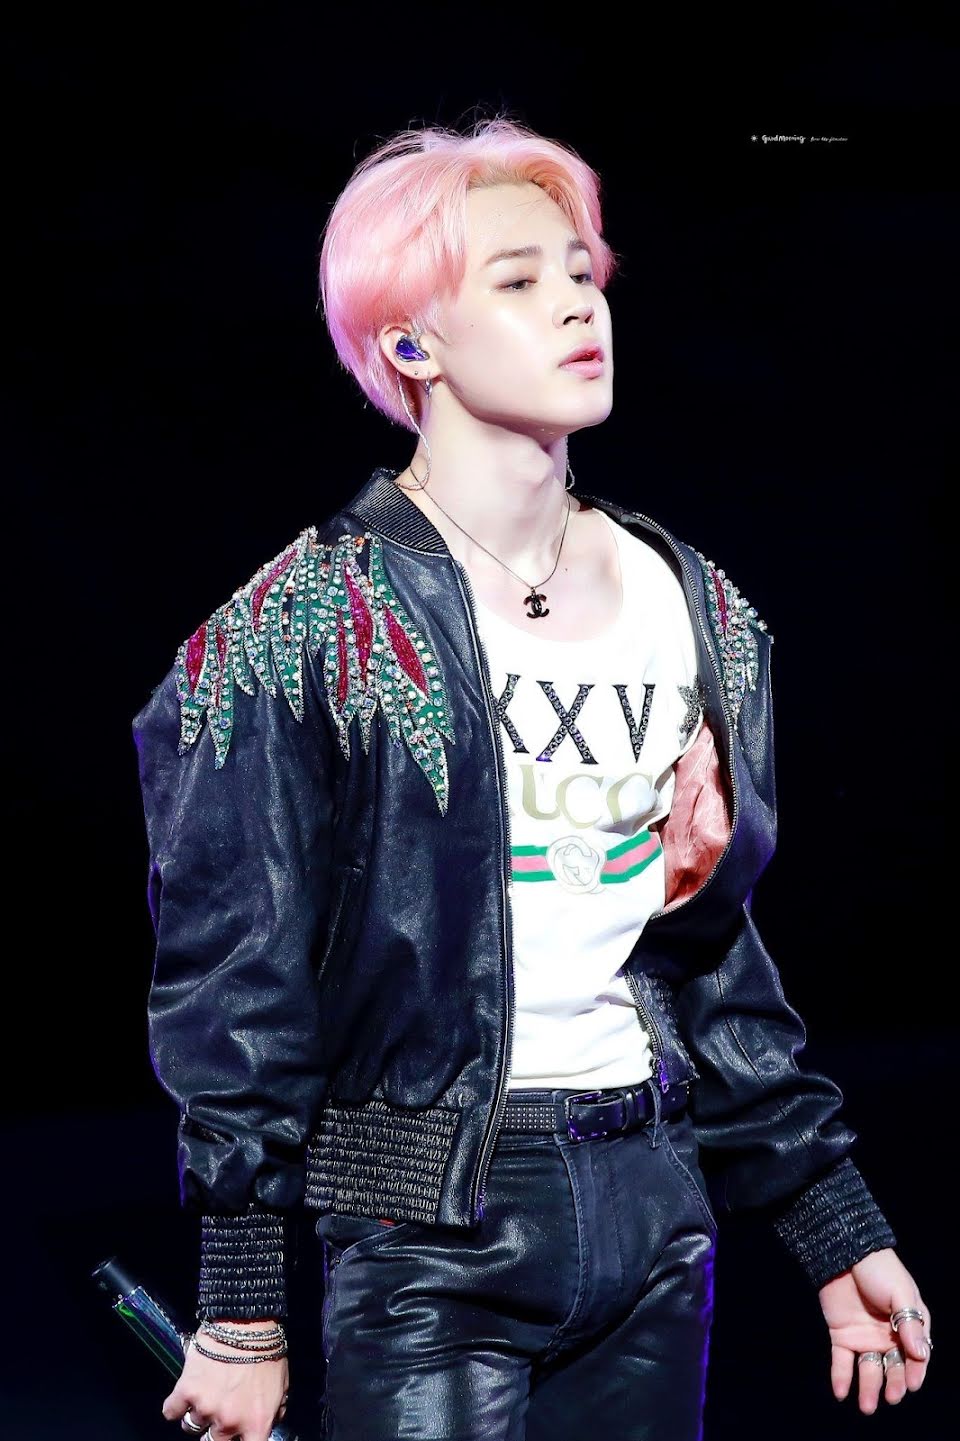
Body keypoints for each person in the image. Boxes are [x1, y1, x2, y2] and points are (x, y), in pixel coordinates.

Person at [132, 116, 932, 1441]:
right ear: (412, 345)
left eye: (580, 270)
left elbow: (711, 950)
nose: (576, 302)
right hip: (425, 1220)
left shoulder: (697, 607)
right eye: (517, 279)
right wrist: (241, 1305)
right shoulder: (304, 624)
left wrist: (830, 1221)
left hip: (653, 1203)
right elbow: (235, 980)